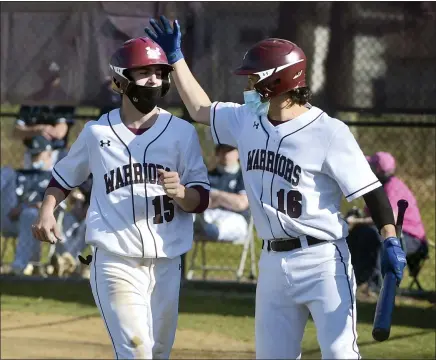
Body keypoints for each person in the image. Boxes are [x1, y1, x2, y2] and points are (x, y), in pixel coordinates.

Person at [144, 16, 407, 359]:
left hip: (322, 260)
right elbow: (199, 109)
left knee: (341, 354)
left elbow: (370, 191)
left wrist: (389, 238)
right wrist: (176, 58)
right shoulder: (247, 120)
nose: (248, 86)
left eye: (255, 78)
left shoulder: (328, 132)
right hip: (272, 263)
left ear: (278, 81)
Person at [32, 37, 210, 359]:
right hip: (115, 259)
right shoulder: (97, 133)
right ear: (119, 80)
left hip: (167, 261)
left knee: (157, 353)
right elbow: (62, 178)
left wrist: (182, 193)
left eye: (159, 72)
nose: (154, 79)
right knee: (136, 351)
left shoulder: (182, 133)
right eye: (143, 72)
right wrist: (47, 210)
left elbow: (201, 197)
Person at [346, 152, 428, 292]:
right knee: (358, 233)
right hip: (395, 232)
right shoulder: (378, 187)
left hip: (411, 238)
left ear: (377, 170)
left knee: (373, 236)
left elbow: (389, 219)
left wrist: (356, 221)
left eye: (370, 165)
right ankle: (356, 279)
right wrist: (358, 219)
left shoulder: (393, 186)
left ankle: (375, 284)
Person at [0, 136, 54, 275]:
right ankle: (26, 265)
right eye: (32, 154)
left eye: (37, 154)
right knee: (7, 171)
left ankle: (19, 266)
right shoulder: (19, 175)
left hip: (40, 222)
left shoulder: (55, 178)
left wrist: (24, 207)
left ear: (49, 154)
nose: (34, 159)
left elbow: (57, 205)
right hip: (9, 218)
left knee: (29, 214)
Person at [195, 144, 249, 243]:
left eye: (229, 150)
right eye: (222, 150)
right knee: (190, 218)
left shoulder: (244, 177)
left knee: (217, 227)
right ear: (217, 153)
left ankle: (209, 230)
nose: (225, 154)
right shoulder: (207, 176)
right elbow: (198, 202)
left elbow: (241, 204)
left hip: (235, 217)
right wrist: (227, 199)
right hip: (209, 214)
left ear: (238, 153)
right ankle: (202, 229)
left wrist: (216, 195)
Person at [13, 104, 75, 169]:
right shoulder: (30, 103)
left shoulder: (63, 100)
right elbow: (16, 132)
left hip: (56, 154)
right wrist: (37, 130)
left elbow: (60, 132)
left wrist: (46, 130)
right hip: (32, 152)